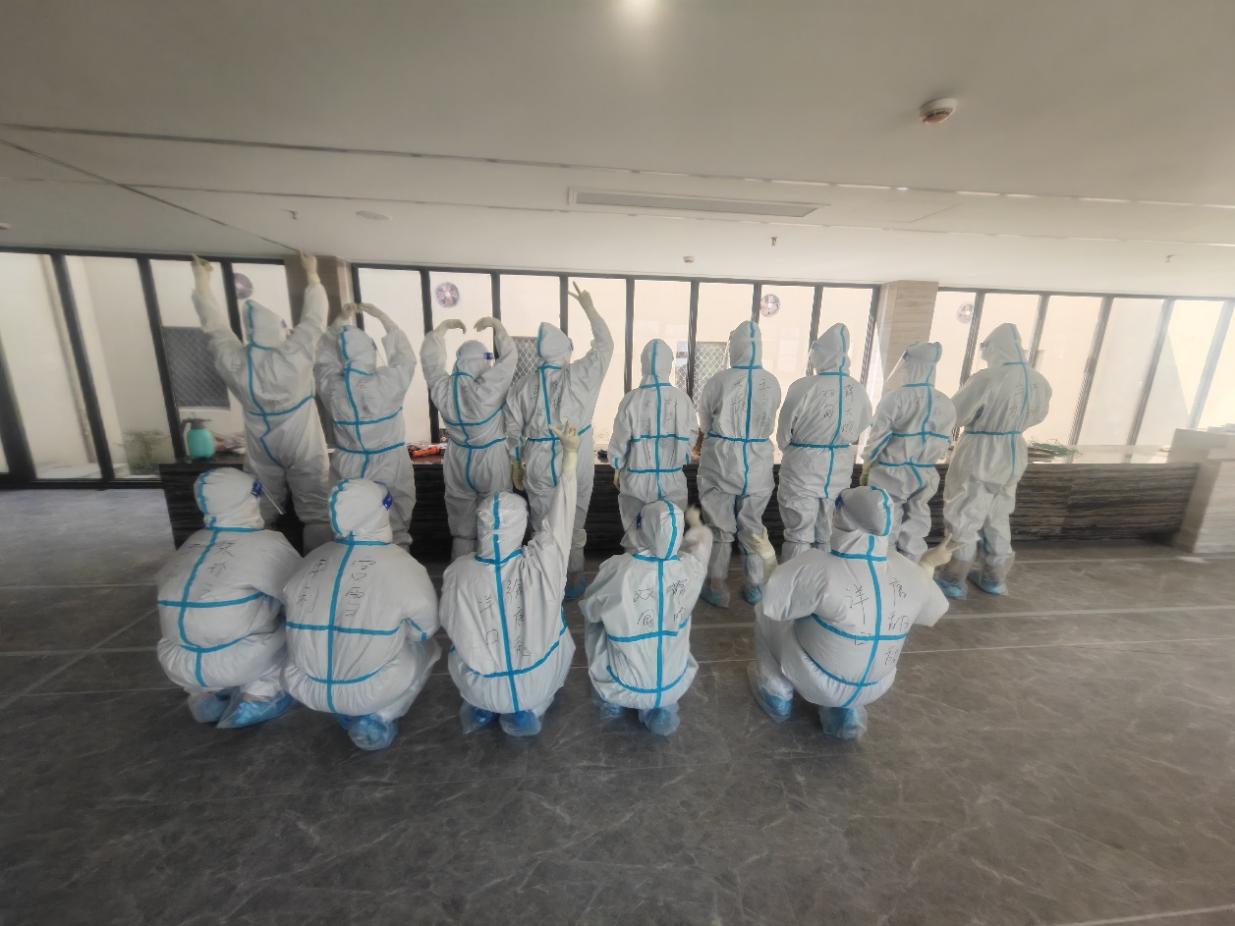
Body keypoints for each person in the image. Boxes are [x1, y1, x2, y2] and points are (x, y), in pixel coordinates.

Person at [748, 485, 948, 740]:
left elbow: (774, 599)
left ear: (842, 519)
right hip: (878, 685)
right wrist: (928, 564)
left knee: (764, 613)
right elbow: (930, 609)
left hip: (818, 681)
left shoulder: (819, 568)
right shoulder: (906, 570)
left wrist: (767, 556)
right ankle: (846, 713)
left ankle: (776, 692)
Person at [440, 423, 582, 737]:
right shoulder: (543, 563)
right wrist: (570, 457)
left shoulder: (458, 573)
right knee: (557, 625)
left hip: (480, 688)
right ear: (521, 525)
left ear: (481, 526)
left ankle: (483, 706)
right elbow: (561, 520)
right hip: (535, 685)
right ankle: (527, 711)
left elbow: (450, 623)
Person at [282, 478, 440, 751]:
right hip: (368, 691)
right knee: (427, 646)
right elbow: (424, 629)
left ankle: (257, 695)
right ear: (382, 512)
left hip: (303, 685)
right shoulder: (402, 566)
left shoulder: (311, 559)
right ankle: (380, 716)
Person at [190, 254, 332, 550]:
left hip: (262, 443)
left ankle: (259, 561)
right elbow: (315, 320)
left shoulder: (236, 361)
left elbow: (215, 329)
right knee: (316, 509)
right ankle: (318, 566)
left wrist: (202, 283)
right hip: (301, 439)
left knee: (259, 508)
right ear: (279, 330)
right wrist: (313, 276)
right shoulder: (292, 355)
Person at [155, 467, 301, 729]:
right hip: (239, 661)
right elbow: (302, 594)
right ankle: (259, 695)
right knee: (298, 625)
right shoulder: (265, 544)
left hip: (177, 662)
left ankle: (207, 695)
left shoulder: (192, 543)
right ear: (249, 500)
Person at [506, 284, 613, 599]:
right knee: (574, 522)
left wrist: (516, 463)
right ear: (565, 350)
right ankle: (575, 578)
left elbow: (511, 428)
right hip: (574, 457)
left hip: (538, 461)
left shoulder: (523, 386)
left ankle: (545, 582)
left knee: (543, 525)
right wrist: (590, 309)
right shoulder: (581, 375)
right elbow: (605, 345)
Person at [929, 323, 1052, 598]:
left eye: (985, 348)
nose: (984, 353)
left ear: (995, 348)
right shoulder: (1038, 381)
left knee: (965, 512)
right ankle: (994, 577)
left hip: (982, 451)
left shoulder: (988, 378)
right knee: (998, 515)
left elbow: (956, 413)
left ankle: (952, 578)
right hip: (1013, 450)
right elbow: (1039, 415)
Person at [580, 500, 712, 736]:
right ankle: (661, 707)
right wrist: (696, 524)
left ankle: (613, 701)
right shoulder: (691, 568)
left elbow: (590, 608)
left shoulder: (619, 569)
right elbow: (703, 545)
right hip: (673, 685)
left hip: (623, 685)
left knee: (597, 621)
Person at [315, 302, 417, 549]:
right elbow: (405, 359)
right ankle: (397, 566)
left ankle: (351, 568)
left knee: (348, 523)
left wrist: (337, 324)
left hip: (348, 463)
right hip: (388, 463)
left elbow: (322, 360)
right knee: (394, 524)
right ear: (371, 350)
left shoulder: (332, 387)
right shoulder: (386, 383)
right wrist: (384, 319)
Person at [696, 321, 782, 607]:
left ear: (735, 347)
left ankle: (717, 585)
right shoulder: (772, 382)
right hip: (758, 463)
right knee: (753, 526)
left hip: (721, 460)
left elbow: (704, 420)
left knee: (719, 526)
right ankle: (755, 585)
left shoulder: (719, 380)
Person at [421, 315, 518, 560]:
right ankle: (489, 572)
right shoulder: (488, 389)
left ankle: (459, 571)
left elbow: (430, 364)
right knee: (495, 519)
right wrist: (499, 328)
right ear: (480, 362)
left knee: (462, 528)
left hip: (457, 460)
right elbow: (509, 359)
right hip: (490, 459)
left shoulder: (443, 387)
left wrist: (440, 331)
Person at [776, 323, 872, 561]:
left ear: (822, 353)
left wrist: (793, 448)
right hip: (839, 466)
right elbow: (863, 423)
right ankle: (823, 578)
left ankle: (797, 578)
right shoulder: (858, 390)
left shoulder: (803, 387)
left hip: (802, 467)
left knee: (799, 530)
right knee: (828, 529)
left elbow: (784, 431)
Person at [863, 341, 956, 561]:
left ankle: (885, 566)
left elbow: (877, 437)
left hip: (891, 472)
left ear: (913, 365)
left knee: (886, 521)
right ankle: (912, 569)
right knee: (917, 522)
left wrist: (867, 464)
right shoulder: (945, 403)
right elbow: (945, 442)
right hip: (925, 472)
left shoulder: (896, 398)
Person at [609, 338, 699, 550]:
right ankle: (666, 571)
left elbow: (620, 440)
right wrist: (682, 455)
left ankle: (638, 571)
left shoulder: (631, 400)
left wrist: (617, 465)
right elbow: (692, 434)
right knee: (670, 539)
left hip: (637, 482)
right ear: (669, 365)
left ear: (644, 364)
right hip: (672, 481)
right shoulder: (682, 400)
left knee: (636, 537)